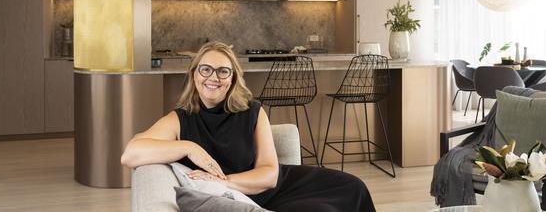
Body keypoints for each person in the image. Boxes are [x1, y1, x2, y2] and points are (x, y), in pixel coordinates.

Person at [121, 41, 376, 212]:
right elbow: (130, 154)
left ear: (232, 79)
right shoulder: (180, 119)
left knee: (354, 186)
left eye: (223, 71)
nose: (213, 78)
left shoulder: (252, 111)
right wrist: (187, 147)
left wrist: (224, 182)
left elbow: (270, 174)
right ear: (194, 75)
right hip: (251, 199)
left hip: (276, 185)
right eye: (206, 69)